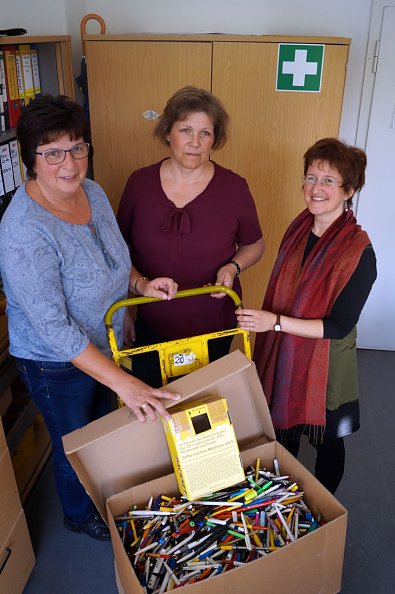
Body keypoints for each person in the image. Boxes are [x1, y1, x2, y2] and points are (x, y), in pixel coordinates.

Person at [0, 95, 181, 540]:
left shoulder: (93, 191)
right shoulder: (24, 229)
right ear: (31, 159)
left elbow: (117, 259)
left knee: (103, 428)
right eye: (53, 152)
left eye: (77, 147)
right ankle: (79, 515)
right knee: (74, 443)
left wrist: (140, 286)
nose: (69, 162)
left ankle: (106, 492)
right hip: (55, 361)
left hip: (106, 342)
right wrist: (123, 380)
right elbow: (54, 328)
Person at [236, 138, 377, 494]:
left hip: (327, 361)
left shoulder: (359, 253)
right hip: (284, 350)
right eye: (311, 178)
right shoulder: (298, 229)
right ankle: (281, 498)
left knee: (328, 439)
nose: (316, 189)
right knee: (282, 429)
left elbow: (340, 325)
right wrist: (273, 323)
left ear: (350, 189)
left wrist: (276, 323)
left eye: (328, 180)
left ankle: (323, 506)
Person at [117, 86, 264, 386]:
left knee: (206, 412)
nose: (195, 143)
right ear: (168, 132)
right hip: (151, 324)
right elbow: (118, 252)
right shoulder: (138, 184)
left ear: (215, 138)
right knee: (153, 409)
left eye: (205, 133)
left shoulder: (234, 187)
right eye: (185, 130)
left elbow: (254, 244)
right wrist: (126, 310)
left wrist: (232, 267)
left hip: (214, 326)